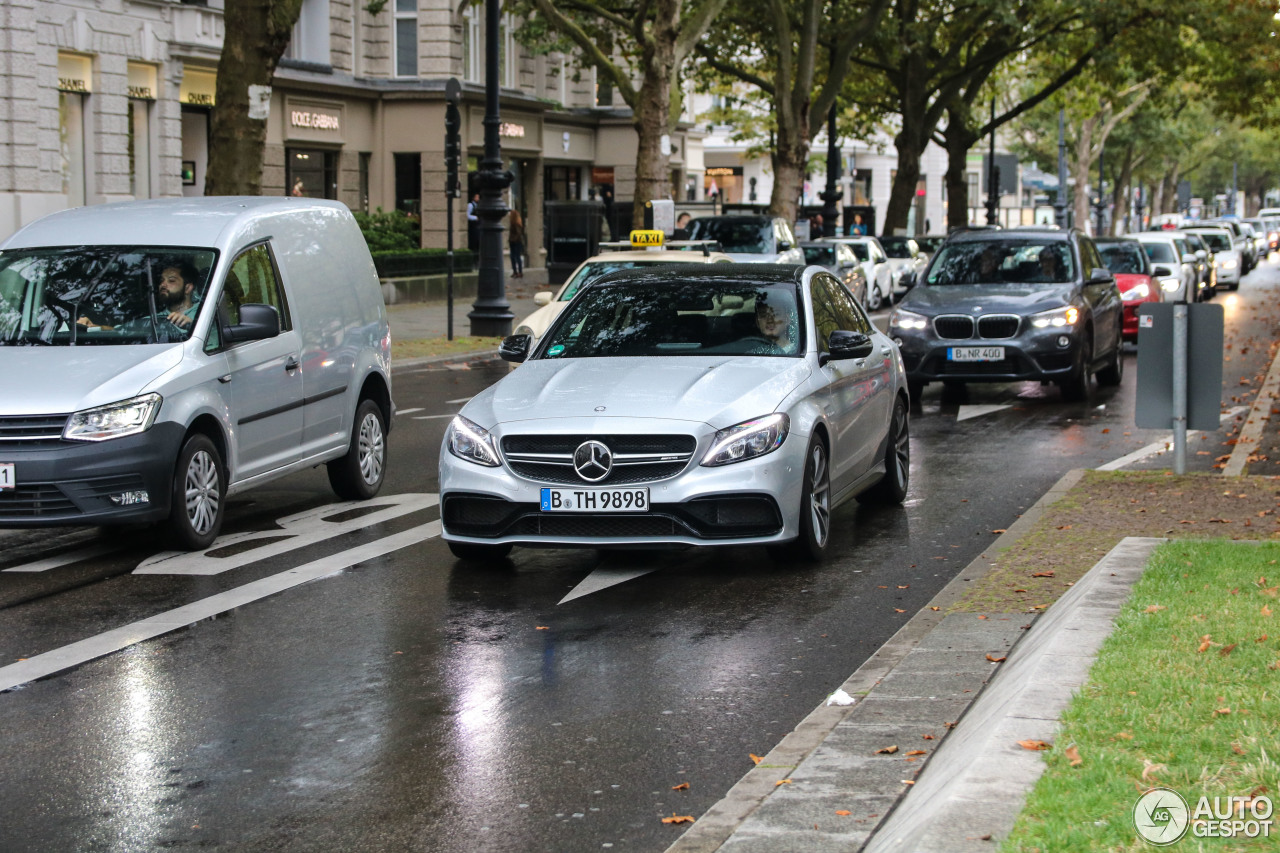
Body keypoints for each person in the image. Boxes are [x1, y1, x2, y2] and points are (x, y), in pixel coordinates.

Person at [508, 209, 526, 278]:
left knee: (516, 257)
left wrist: (513, 239)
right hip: (513, 242)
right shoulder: (513, 223)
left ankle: (520, 272)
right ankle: (515, 271)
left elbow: (518, 234)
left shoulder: (516, 224)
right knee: (513, 257)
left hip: (516, 242)